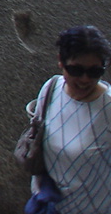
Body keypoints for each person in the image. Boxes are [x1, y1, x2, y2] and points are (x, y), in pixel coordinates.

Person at [31, 25, 111, 213]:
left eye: (94, 72)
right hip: (50, 205)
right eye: (76, 70)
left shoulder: (107, 107)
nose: (85, 79)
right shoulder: (51, 89)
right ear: (61, 61)